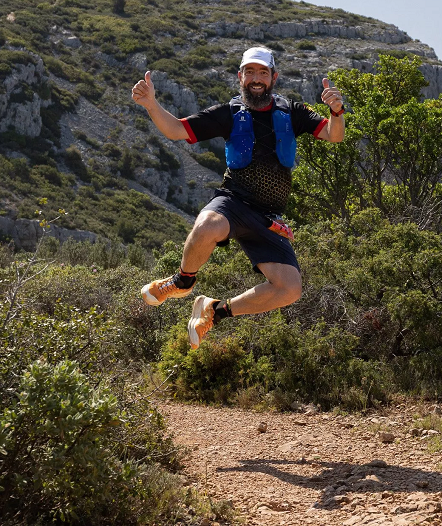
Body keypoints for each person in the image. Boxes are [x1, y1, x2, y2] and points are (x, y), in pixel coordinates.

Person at [131, 46, 345, 349]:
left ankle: (215, 311)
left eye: (263, 73)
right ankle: (182, 282)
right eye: (250, 72)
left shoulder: (293, 113)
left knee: (290, 289)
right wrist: (151, 104)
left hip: (269, 218)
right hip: (234, 202)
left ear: (274, 77)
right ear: (240, 76)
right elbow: (177, 130)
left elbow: (334, 135)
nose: (256, 79)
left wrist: (337, 113)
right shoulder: (228, 114)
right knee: (207, 226)